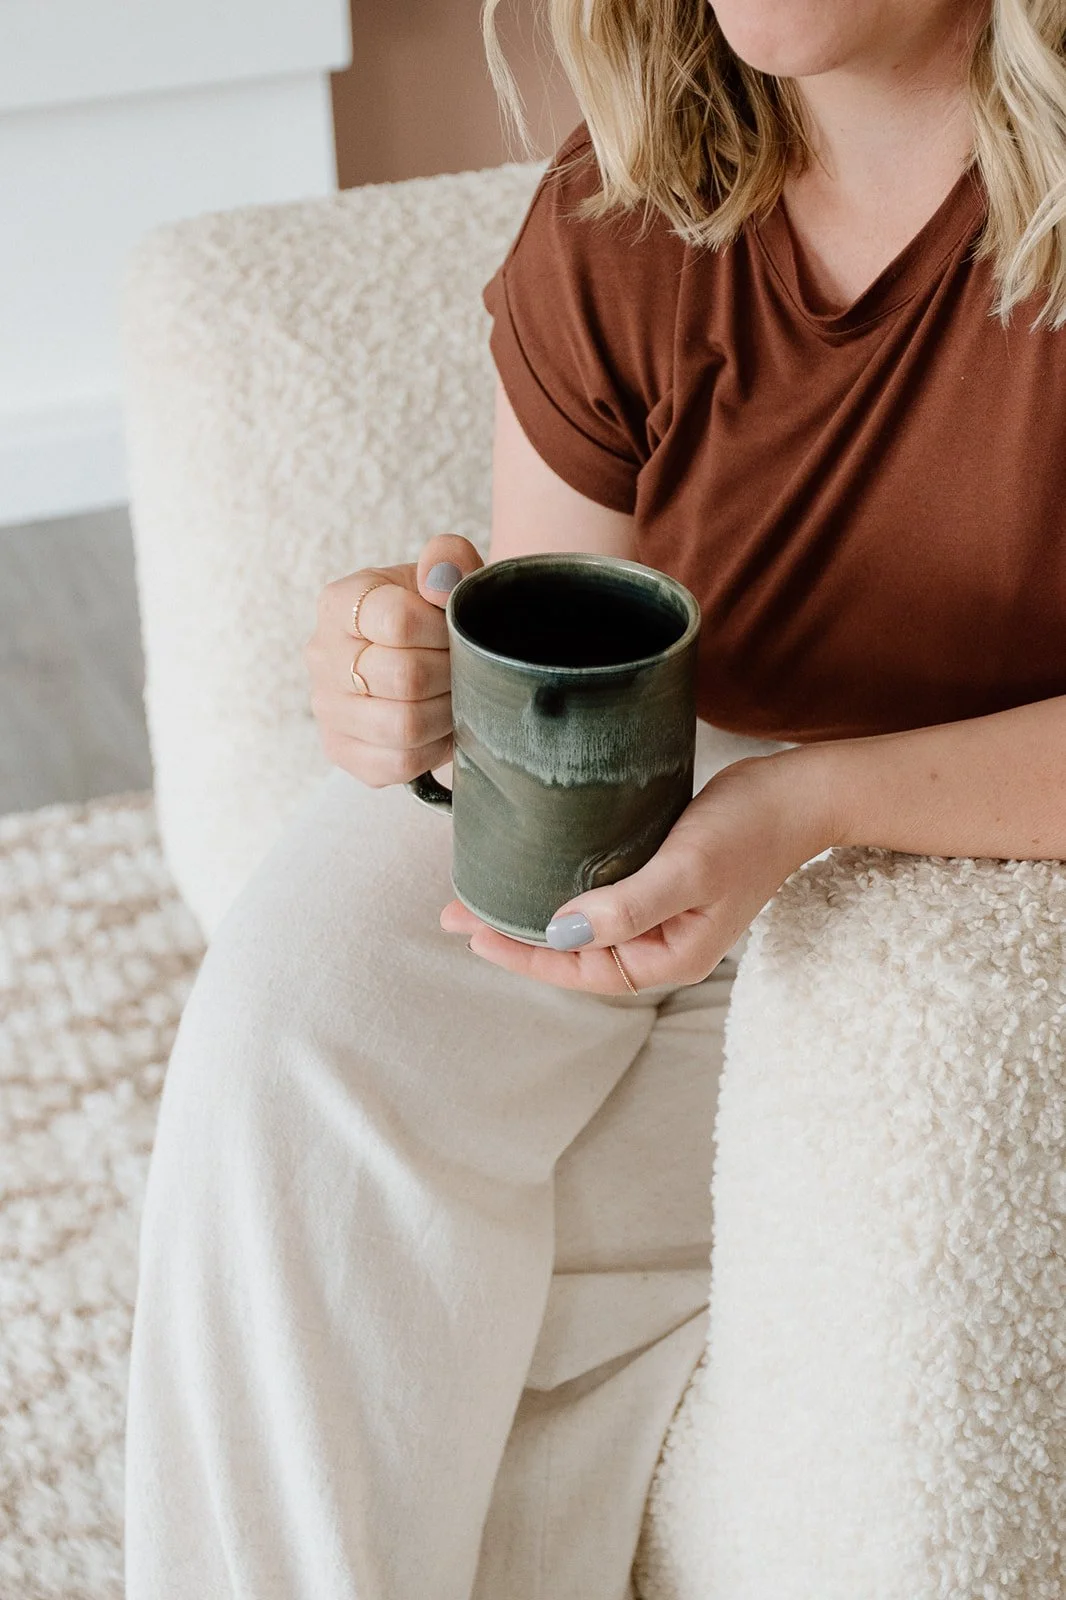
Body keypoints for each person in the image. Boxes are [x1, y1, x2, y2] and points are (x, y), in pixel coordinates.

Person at [124, 0, 1066, 1594]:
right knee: (292, 1046)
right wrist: (417, 677)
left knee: (421, 1272)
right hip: (677, 835)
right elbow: (564, 655)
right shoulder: (620, 212)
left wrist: (810, 802)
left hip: (965, 882)